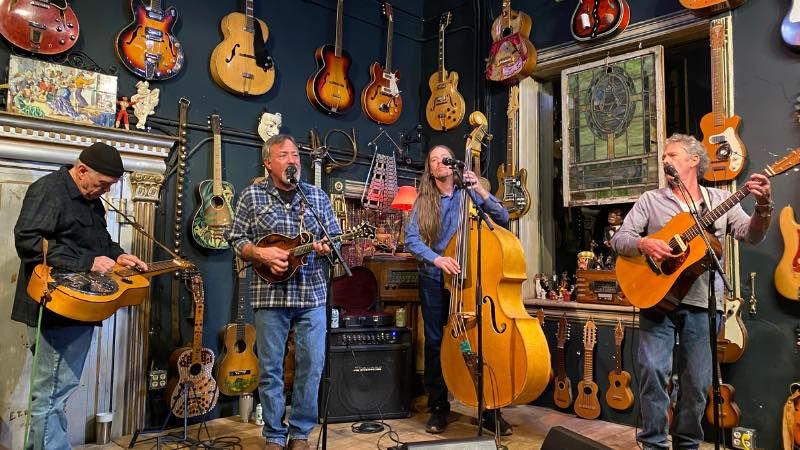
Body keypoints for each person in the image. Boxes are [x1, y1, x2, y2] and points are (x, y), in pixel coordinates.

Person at [610, 133, 772, 450]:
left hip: (703, 305)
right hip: (656, 302)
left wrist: (764, 205)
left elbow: (750, 235)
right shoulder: (650, 200)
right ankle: (654, 443)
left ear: (693, 160)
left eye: (671, 155)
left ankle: (687, 444)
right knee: (653, 372)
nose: (665, 160)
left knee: (697, 384)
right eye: (664, 156)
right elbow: (620, 239)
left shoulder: (718, 200)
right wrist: (644, 243)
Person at [13, 142, 148, 450]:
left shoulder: (92, 201)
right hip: (55, 306)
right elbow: (28, 241)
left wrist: (119, 256)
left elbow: (99, 242)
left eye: (109, 187)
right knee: (51, 394)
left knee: (58, 390)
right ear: (82, 169)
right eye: (101, 184)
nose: (103, 192)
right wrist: (87, 263)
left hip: (79, 307)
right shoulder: (49, 189)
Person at [226, 134, 340, 450]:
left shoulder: (317, 198)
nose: (292, 160)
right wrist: (260, 254)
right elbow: (236, 238)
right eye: (284, 155)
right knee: (271, 367)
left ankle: (300, 433)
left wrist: (326, 247)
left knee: (312, 364)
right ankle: (275, 434)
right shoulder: (251, 196)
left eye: (295, 154)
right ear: (268, 163)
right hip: (269, 295)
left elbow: (336, 240)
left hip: (311, 294)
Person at [404, 145, 513, 436]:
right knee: (437, 343)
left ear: (454, 165)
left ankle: (489, 409)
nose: (440, 163)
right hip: (434, 278)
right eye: (434, 160)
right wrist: (437, 259)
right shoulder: (424, 201)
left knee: (480, 341)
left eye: (444, 158)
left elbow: (503, 218)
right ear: (430, 169)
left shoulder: (467, 194)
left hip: (469, 280)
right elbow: (411, 239)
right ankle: (439, 407)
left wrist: (480, 190)